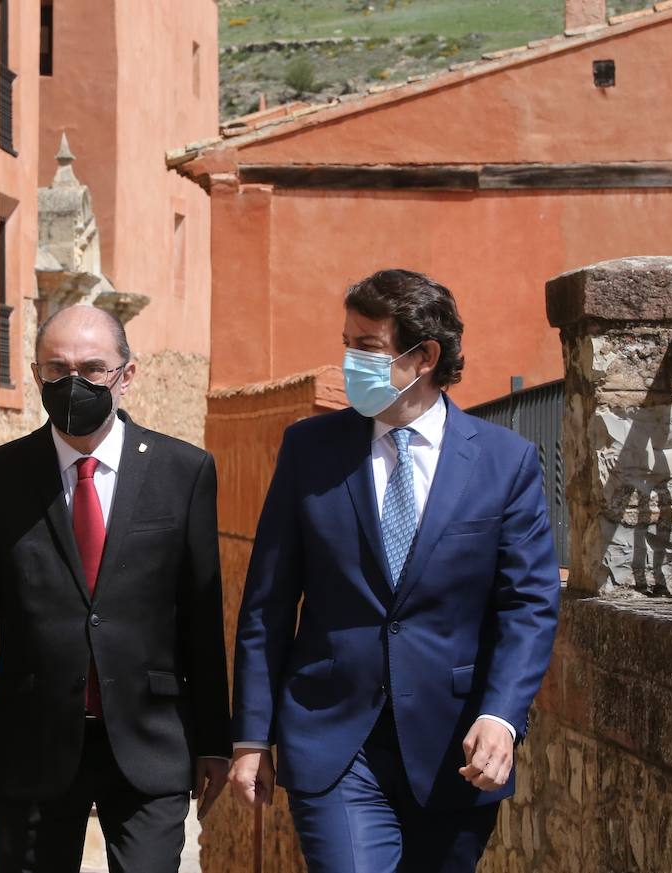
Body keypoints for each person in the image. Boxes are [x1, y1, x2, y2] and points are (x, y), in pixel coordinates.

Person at [228, 269, 561, 873]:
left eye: (369, 347)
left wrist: (501, 716)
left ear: (425, 356)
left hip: (453, 745)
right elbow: (268, 601)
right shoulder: (310, 450)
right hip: (333, 738)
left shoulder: (504, 463)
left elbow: (529, 605)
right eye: (347, 343)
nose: (351, 360)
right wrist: (252, 736)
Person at [0, 305, 230, 873]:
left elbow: (201, 616)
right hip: (32, 743)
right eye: (57, 369)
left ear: (127, 374)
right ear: (36, 374)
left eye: (93, 369)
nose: (75, 383)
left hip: (151, 740)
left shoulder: (183, 471)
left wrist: (215, 740)